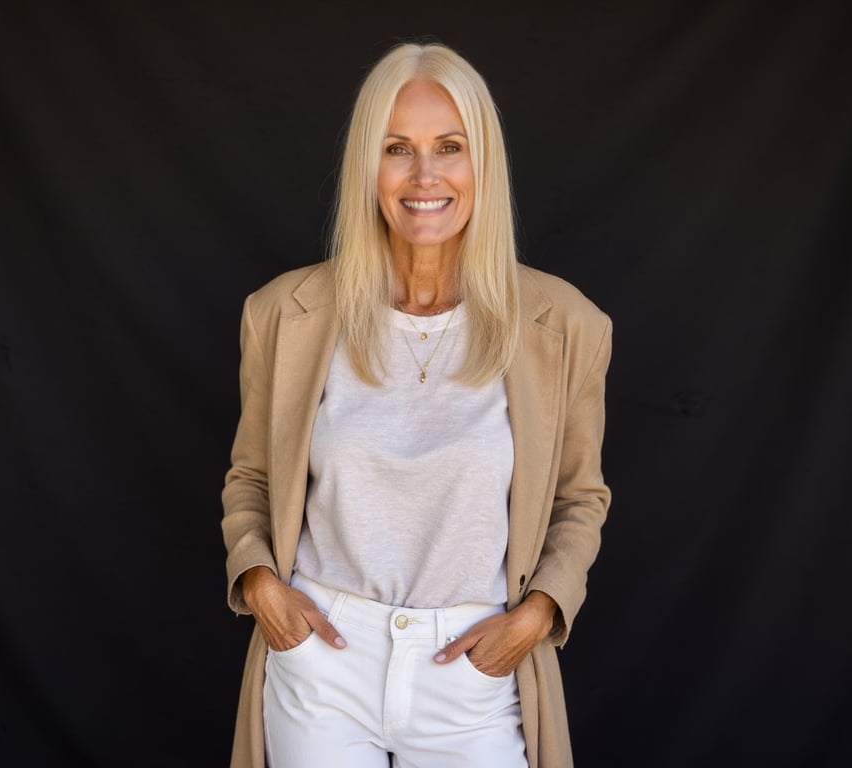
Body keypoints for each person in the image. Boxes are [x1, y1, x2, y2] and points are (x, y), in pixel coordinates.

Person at [221, 40, 613, 768]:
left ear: (482, 163)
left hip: (474, 665)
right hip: (323, 660)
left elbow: (578, 497)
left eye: (449, 148)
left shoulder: (564, 326)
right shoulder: (283, 314)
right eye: (397, 148)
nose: (424, 175)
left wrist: (537, 616)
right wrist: (259, 584)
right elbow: (251, 478)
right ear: (366, 166)